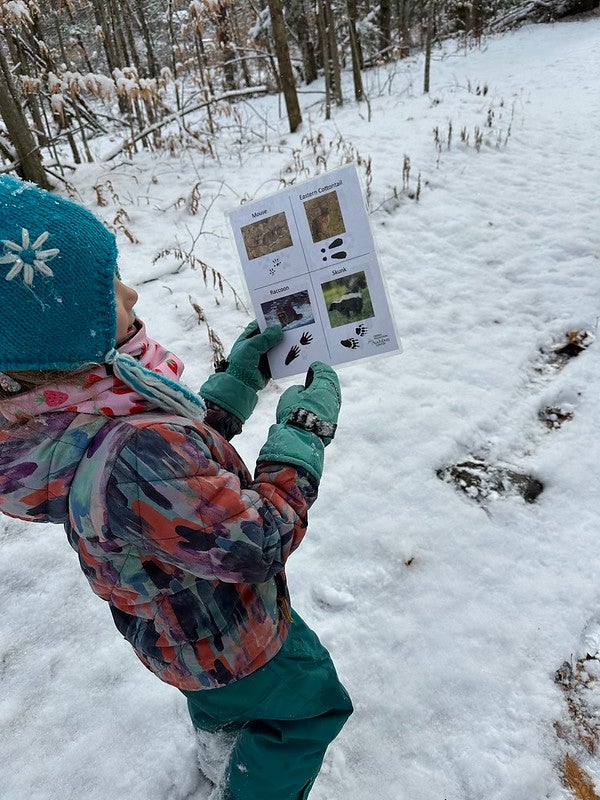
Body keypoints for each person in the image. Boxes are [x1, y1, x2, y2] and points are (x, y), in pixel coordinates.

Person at [0, 175, 353, 800]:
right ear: (60, 336)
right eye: (109, 291)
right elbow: (257, 540)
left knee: (224, 704)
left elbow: (173, 474)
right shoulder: (131, 450)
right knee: (307, 712)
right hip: (234, 637)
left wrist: (235, 386)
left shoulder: (65, 414)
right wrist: (302, 435)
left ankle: (222, 744)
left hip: (180, 632)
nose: (131, 293)